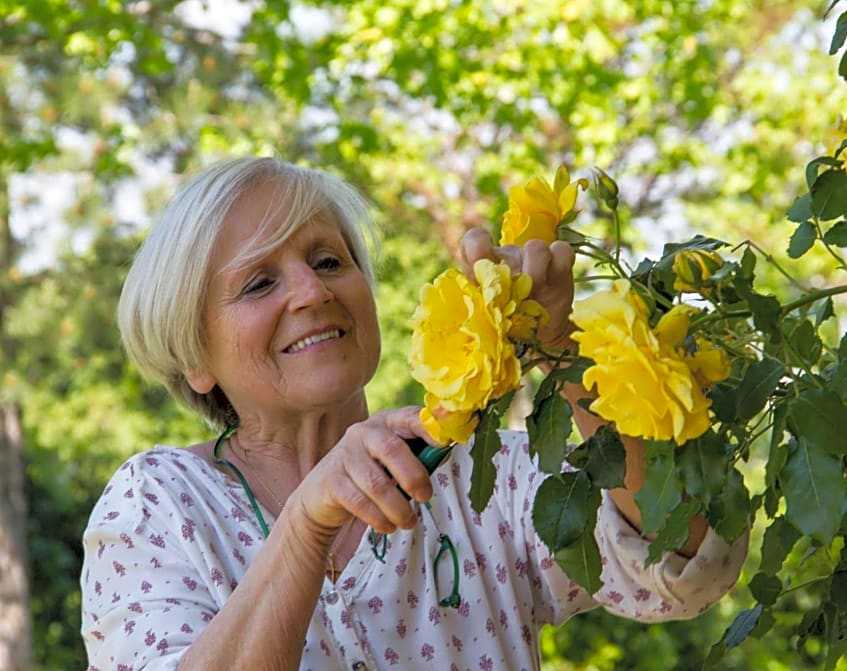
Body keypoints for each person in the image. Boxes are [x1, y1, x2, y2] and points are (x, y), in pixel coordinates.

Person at [81, 156, 748, 670]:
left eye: (328, 259)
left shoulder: (479, 474)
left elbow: (689, 563)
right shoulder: (158, 505)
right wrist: (307, 523)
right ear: (196, 355)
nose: (312, 291)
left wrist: (564, 348)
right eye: (260, 282)